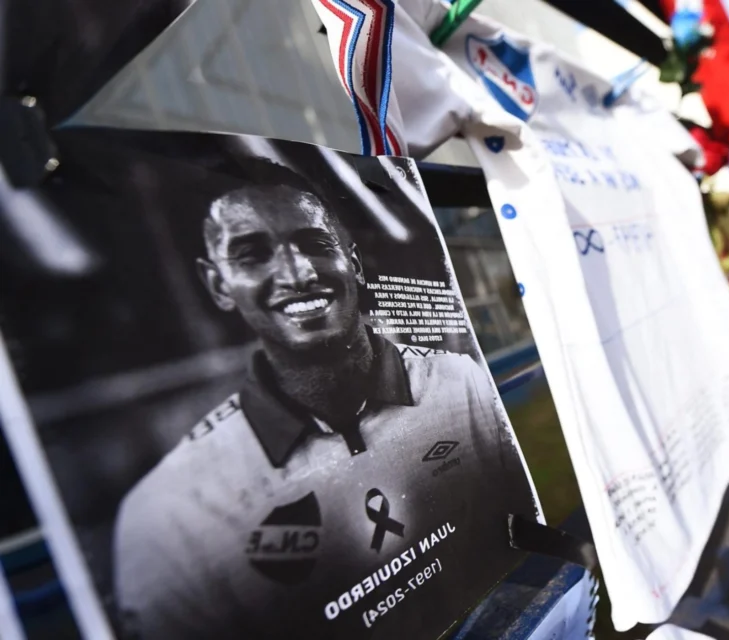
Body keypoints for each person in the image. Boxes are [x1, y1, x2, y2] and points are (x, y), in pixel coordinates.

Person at [112, 158, 535, 639]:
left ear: (352, 263)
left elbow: (514, 542)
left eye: (315, 244)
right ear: (218, 284)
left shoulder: (459, 381)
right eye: (252, 255)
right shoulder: (170, 512)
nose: (297, 273)